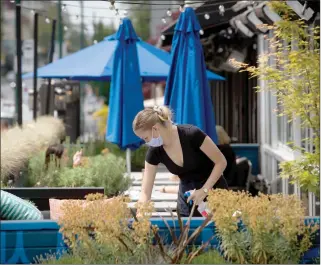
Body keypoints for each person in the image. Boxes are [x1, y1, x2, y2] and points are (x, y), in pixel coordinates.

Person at [132, 106, 228, 217]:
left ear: (155, 128)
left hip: (215, 194)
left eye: (145, 138)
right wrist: (140, 217)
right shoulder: (154, 151)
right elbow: (145, 192)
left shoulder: (191, 134)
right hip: (187, 201)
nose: (146, 142)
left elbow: (221, 161)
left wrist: (204, 190)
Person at [158, 125, 238, 194]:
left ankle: (164, 189)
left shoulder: (215, 152)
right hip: (225, 182)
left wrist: (165, 189)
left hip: (215, 184)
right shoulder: (229, 150)